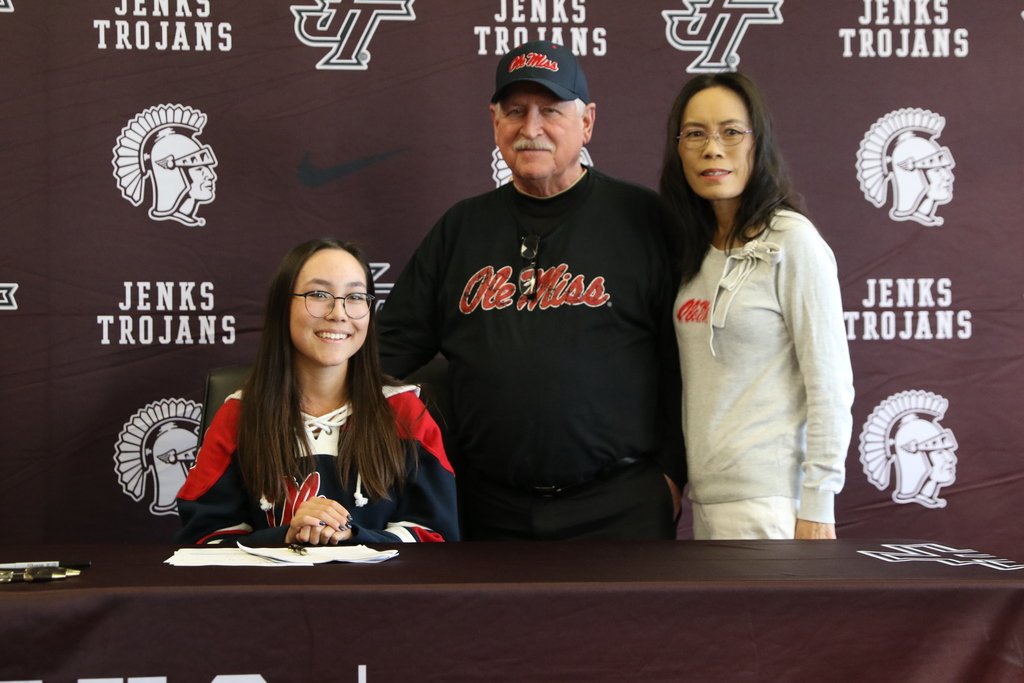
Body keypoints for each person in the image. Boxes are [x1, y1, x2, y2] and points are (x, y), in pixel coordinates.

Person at [377, 41, 685, 541]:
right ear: (495, 122)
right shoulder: (462, 229)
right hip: (487, 507)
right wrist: (285, 390)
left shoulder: (643, 219)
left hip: (620, 504)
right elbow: (387, 348)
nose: (531, 128)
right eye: (515, 111)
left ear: (586, 122)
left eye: (551, 111)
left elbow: (686, 360)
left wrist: (671, 477)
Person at [659, 72, 854, 540]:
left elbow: (830, 385)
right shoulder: (691, 251)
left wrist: (818, 506)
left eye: (731, 131)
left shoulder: (792, 242)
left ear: (757, 143)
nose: (713, 149)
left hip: (777, 505)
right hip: (707, 502)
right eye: (696, 134)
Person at [176, 238, 459, 545]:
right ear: (283, 307)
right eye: (319, 294)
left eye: (354, 297)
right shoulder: (240, 415)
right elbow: (203, 539)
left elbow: (436, 538)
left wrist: (352, 536)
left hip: (379, 594)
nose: (338, 313)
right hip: (272, 592)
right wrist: (286, 536)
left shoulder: (406, 412)